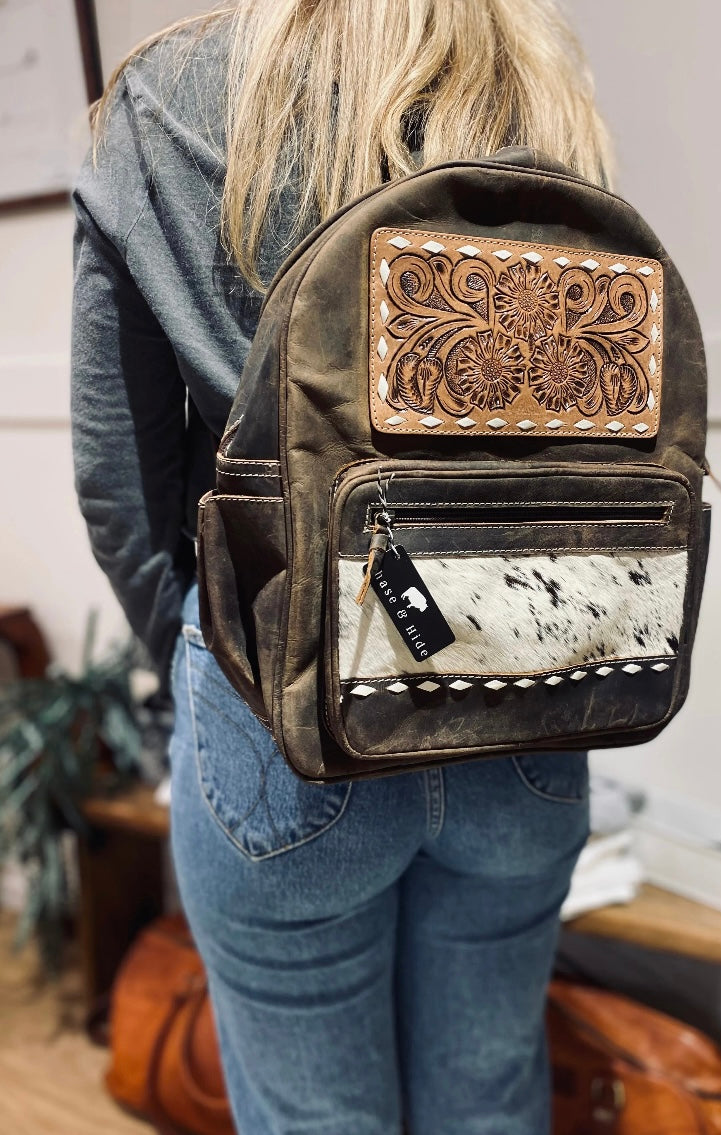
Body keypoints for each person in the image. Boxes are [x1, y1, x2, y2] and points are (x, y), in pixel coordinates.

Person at [71, 3, 612, 1132]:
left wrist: (215, 657)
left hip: (279, 704)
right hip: (526, 690)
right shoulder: (532, 79)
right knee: (492, 1099)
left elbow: (120, 479)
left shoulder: (167, 97)